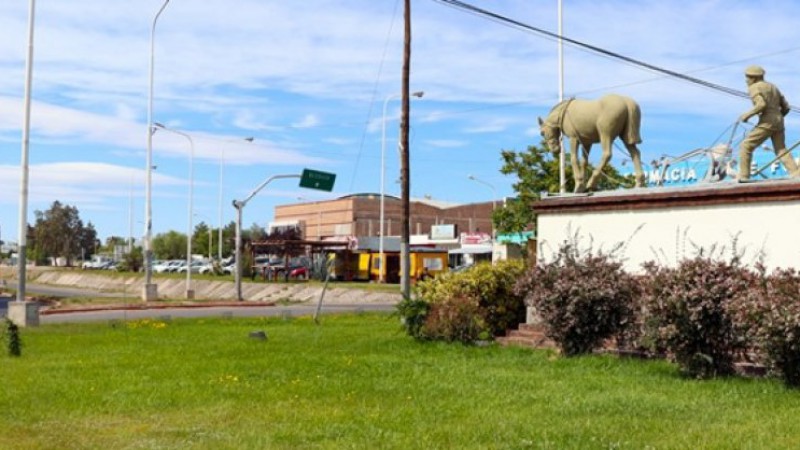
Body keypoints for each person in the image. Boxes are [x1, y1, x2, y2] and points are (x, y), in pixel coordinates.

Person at [738, 65, 799, 181]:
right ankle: (796, 173)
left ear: (754, 78)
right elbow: (786, 107)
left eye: (748, 77)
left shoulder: (754, 87)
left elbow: (761, 105)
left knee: (746, 146)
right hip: (779, 120)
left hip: (767, 120)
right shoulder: (773, 87)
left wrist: (747, 115)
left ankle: (744, 176)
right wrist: (778, 117)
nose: (746, 80)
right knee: (780, 149)